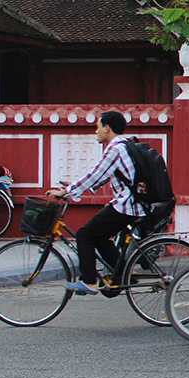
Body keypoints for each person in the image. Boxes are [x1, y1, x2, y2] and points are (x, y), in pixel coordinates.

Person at [48, 110, 146, 295]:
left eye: (98, 127)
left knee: (84, 235)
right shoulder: (125, 145)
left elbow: (95, 174)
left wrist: (67, 191)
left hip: (127, 205)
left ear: (107, 128)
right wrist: (74, 186)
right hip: (134, 204)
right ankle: (123, 274)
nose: (96, 131)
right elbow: (103, 177)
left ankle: (89, 282)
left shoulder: (115, 148)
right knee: (99, 236)